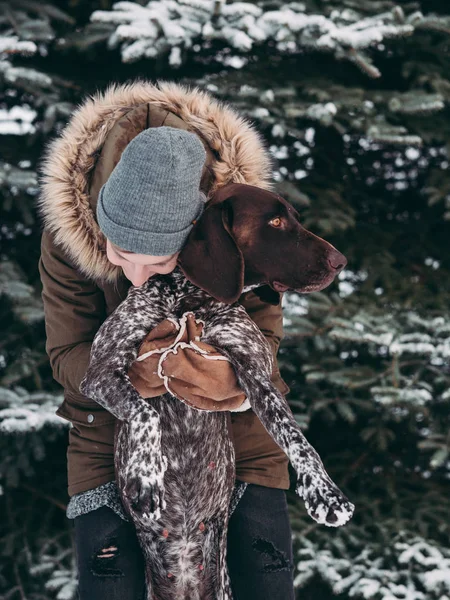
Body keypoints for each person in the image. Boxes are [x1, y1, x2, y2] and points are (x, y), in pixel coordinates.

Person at [38, 80, 295, 600]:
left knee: (265, 579)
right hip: (106, 438)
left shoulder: (238, 227)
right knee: (109, 585)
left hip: (239, 439)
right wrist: (139, 368)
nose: (134, 276)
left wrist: (226, 372)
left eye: (156, 262)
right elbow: (65, 354)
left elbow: (263, 337)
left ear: (199, 240)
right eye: (117, 252)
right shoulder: (65, 237)